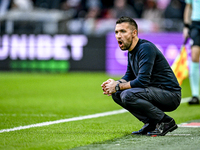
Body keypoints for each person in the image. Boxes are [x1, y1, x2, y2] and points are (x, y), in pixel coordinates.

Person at [101, 16, 181, 136]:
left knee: (127, 94)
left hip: (170, 95)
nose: (118, 35)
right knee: (117, 94)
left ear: (134, 33)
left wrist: (117, 86)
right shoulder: (131, 51)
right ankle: (151, 123)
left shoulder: (145, 48)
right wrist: (114, 84)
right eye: (116, 32)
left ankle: (165, 121)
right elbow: (129, 75)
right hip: (153, 92)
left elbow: (142, 81)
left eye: (123, 31)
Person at [183, 0, 200, 105]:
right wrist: (186, 26)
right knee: (194, 56)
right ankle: (195, 95)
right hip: (196, 24)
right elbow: (188, 7)